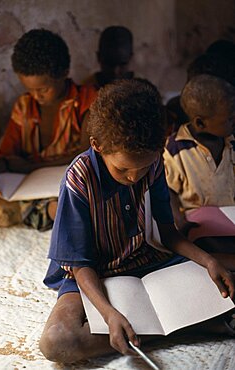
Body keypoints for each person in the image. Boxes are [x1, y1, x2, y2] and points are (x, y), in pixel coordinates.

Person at [39, 79, 235, 364]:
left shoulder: (152, 162)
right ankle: (196, 323)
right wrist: (109, 314)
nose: (134, 177)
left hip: (145, 260)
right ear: (97, 145)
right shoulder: (78, 178)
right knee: (56, 341)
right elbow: (80, 266)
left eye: (143, 168)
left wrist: (207, 261)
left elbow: (168, 233)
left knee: (226, 277)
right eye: (124, 169)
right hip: (93, 273)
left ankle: (162, 325)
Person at [0, 28, 97, 230]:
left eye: (42, 89)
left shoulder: (87, 101)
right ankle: (50, 210)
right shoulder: (24, 107)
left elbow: (88, 155)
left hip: (71, 183)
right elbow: (6, 156)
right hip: (30, 189)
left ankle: (54, 210)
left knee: (82, 194)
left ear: (64, 73)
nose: (35, 96)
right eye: (29, 89)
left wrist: (30, 167)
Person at [163, 74, 235, 252]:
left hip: (232, 216)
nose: (234, 121)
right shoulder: (175, 150)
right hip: (200, 224)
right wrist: (181, 223)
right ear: (200, 123)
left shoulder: (232, 143)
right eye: (229, 119)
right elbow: (168, 192)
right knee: (207, 244)